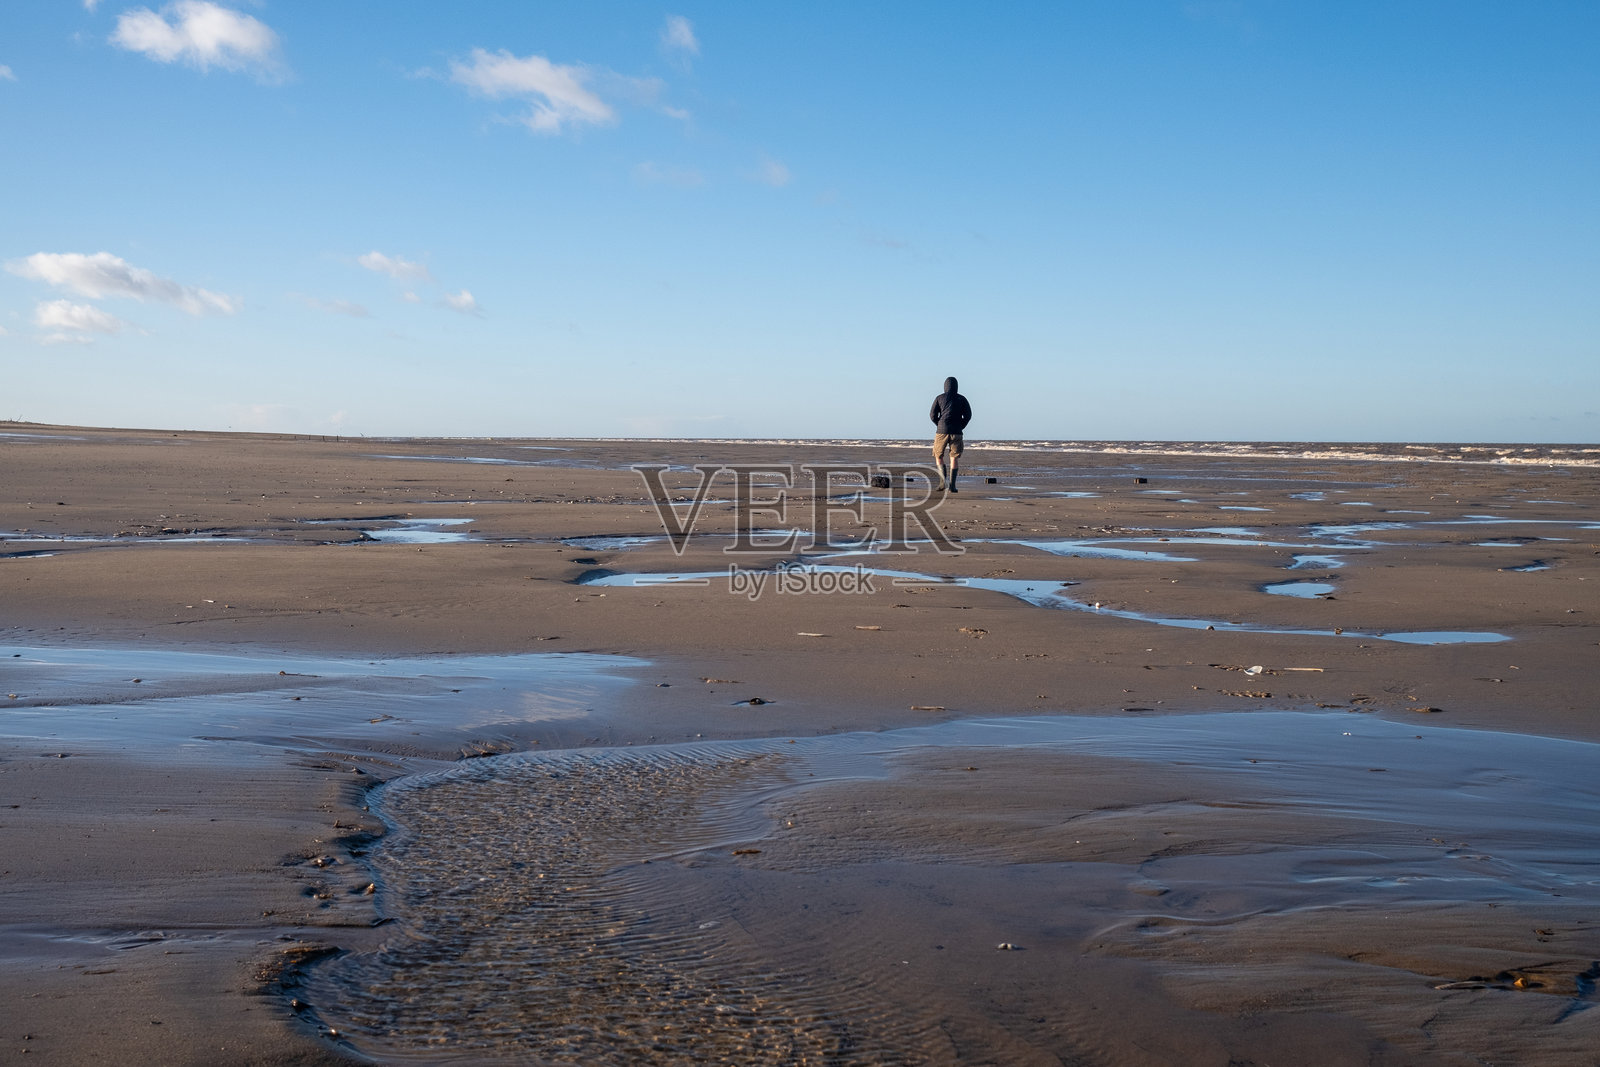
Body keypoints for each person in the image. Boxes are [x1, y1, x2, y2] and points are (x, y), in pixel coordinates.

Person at [929, 375, 972, 492]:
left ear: (945, 386)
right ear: (956, 386)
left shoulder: (939, 398)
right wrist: (961, 425)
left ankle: (942, 484)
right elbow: (968, 415)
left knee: (938, 456)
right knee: (954, 457)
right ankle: (952, 486)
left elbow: (932, 415)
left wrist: (939, 424)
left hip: (942, 431)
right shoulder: (962, 399)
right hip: (957, 431)